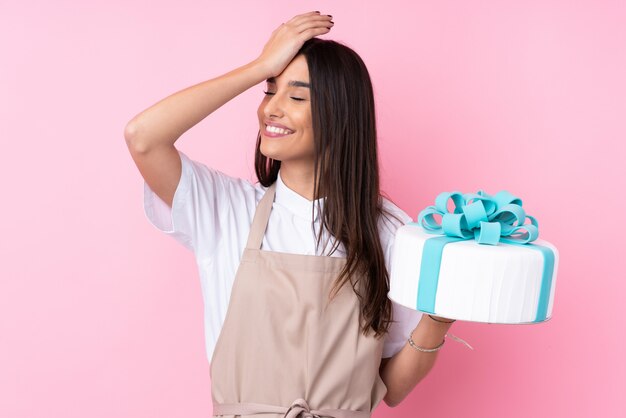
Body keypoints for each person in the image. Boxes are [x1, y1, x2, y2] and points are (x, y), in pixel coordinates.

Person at [125, 11, 457, 416]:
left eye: (296, 97)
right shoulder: (226, 209)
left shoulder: (389, 231)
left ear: (340, 117)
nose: (271, 110)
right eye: (269, 92)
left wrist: (441, 316)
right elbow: (143, 137)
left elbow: (393, 388)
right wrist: (259, 66)